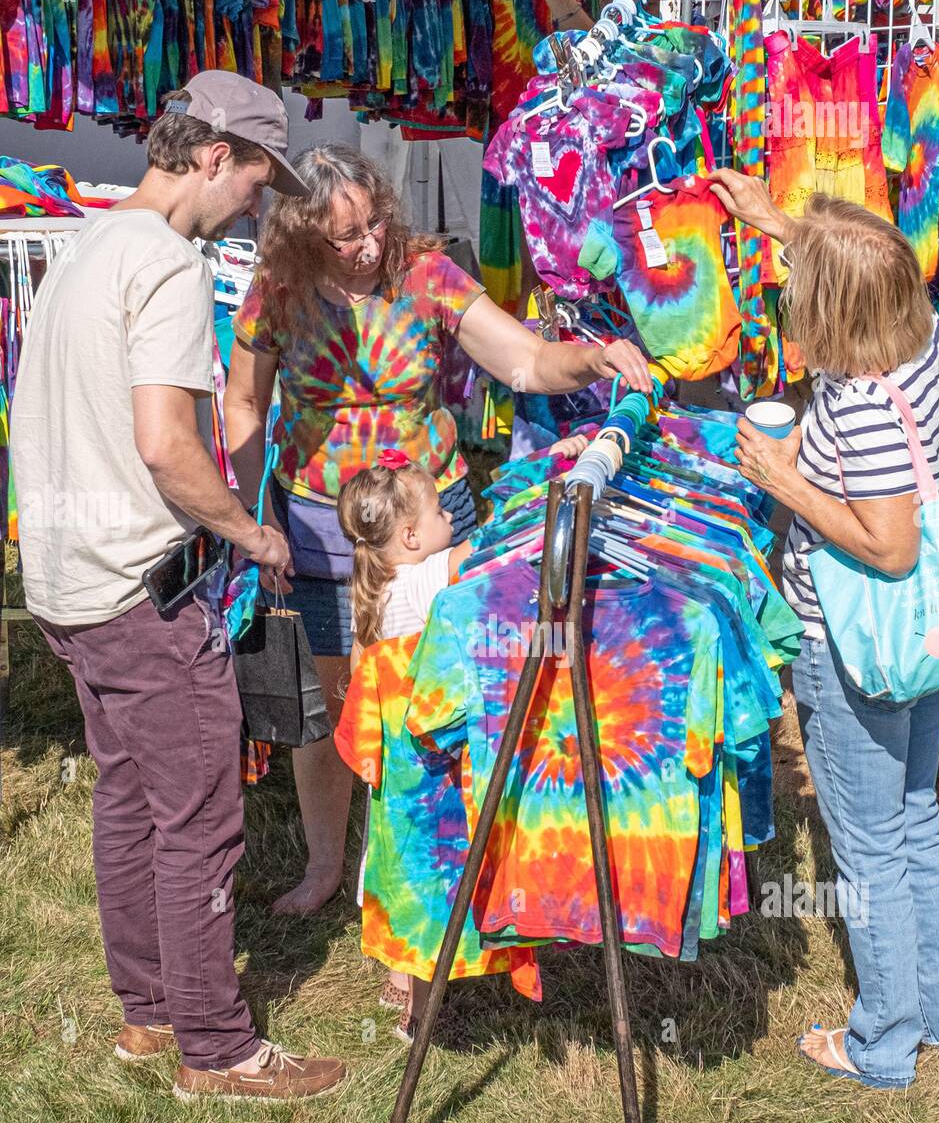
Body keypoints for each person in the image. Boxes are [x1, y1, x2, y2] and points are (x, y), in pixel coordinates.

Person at [9, 72, 344, 1102]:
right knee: (199, 813)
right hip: (143, 591)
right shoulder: (162, 265)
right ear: (210, 158)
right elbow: (167, 444)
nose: (252, 205)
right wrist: (247, 531)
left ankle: (148, 1014)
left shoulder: (86, 251)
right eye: (251, 182)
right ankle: (218, 1045)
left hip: (70, 586)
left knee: (130, 801)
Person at [224, 143, 652, 916]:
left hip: (432, 526)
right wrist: (257, 520)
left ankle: (437, 876)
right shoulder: (277, 290)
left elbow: (522, 361)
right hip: (324, 533)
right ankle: (328, 867)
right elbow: (243, 405)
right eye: (346, 237)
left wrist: (592, 360)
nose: (369, 245)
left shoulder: (425, 273)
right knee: (335, 703)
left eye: (374, 224)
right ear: (299, 234)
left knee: (436, 697)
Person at [708, 168, 939, 1090]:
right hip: (923, 643)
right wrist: (779, 221)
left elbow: (891, 547)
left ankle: (882, 1046)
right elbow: (864, 275)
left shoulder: (862, 409)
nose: (788, 294)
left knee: (868, 851)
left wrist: (784, 479)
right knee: (915, 825)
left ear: (830, 307)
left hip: (854, 646)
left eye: (799, 282)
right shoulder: (927, 343)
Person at [339, 433, 590, 1041]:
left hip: (394, 765)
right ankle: (419, 1017)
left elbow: (359, 679)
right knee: (435, 879)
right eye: (442, 511)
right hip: (433, 761)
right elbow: (495, 543)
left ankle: (397, 980)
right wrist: (553, 470)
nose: (454, 516)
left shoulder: (372, 592)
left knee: (397, 867)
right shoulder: (429, 577)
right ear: (411, 538)